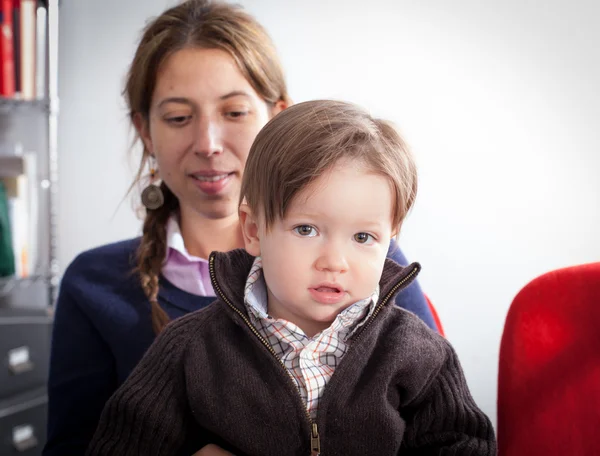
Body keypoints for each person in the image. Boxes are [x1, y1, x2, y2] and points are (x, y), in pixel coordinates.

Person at [44, 2, 439, 455]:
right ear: (146, 132)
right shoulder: (93, 285)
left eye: (234, 113)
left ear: (277, 118)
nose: (208, 144)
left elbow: (436, 428)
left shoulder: (372, 267)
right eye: (178, 118)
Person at [86, 100, 495, 456]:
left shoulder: (420, 355)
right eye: (306, 230)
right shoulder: (189, 350)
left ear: (390, 240)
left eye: (363, 237)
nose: (334, 261)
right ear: (253, 229)